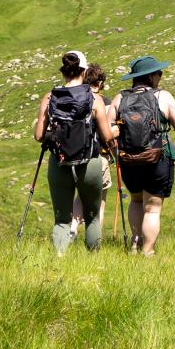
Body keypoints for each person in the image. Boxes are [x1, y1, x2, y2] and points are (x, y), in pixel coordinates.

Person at [108, 55, 175, 256]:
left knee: (136, 201)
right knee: (152, 208)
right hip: (157, 158)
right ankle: (147, 251)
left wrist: (116, 155)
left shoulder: (120, 98)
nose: (160, 77)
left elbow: (108, 132)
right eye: (159, 74)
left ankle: (134, 245)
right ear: (151, 76)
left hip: (128, 160)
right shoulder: (163, 96)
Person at [34, 50, 114, 254]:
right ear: (84, 71)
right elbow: (106, 136)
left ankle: (60, 257)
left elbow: (39, 135)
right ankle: (93, 258)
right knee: (92, 216)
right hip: (89, 163)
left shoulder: (50, 97)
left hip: (59, 163)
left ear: (63, 72)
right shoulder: (94, 99)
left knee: (62, 219)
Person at [71, 63, 116, 237]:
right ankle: (95, 239)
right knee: (100, 201)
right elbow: (107, 133)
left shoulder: (76, 98)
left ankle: (73, 228)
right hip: (100, 156)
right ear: (100, 83)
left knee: (81, 195)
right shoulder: (104, 102)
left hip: (75, 155)